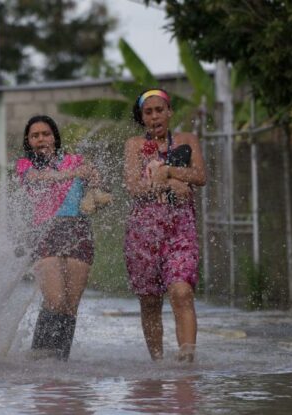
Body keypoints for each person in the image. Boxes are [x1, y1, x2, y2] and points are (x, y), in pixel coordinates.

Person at [123, 88, 206, 362]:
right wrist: (170, 183)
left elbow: (200, 176)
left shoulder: (187, 139)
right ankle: (158, 365)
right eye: (148, 112)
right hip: (143, 233)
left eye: (160, 110)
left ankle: (187, 360)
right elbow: (134, 187)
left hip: (180, 229)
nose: (155, 116)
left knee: (182, 292)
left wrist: (169, 171)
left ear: (170, 112)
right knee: (149, 302)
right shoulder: (135, 145)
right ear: (142, 117)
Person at [15, 115, 103, 361]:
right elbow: (39, 179)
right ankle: (40, 356)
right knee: (54, 300)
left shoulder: (75, 160)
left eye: (45, 134)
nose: (41, 139)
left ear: (55, 137)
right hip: (46, 232)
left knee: (70, 305)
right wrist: (74, 173)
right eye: (35, 136)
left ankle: (59, 362)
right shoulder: (25, 165)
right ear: (29, 141)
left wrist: (93, 177)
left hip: (79, 232)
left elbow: (97, 183)